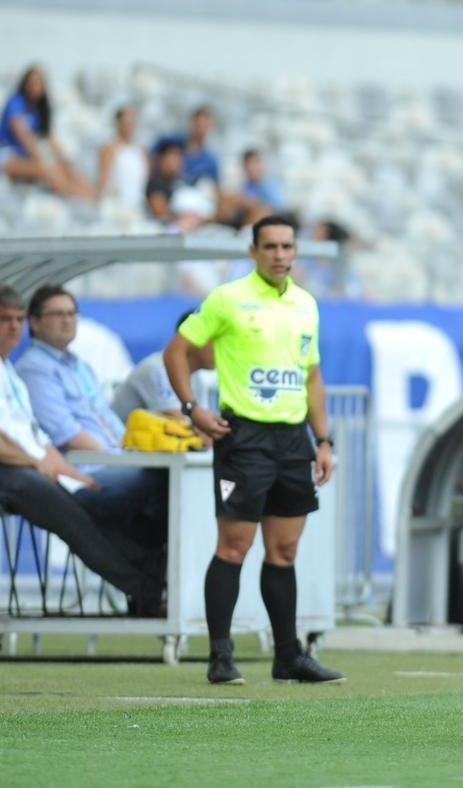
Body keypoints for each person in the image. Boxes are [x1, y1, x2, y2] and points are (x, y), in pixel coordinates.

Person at [164, 214, 344, 685]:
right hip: (244, 439)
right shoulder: (228, 298)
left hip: (293, 441)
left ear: (295, 251)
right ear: (254, 252)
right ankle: (220, 656)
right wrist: (192, 409)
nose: (280, 255)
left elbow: (312, 377)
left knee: (284, 550)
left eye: (288, 246)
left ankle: (288, 657)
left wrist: (323, 441)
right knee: (234, 546)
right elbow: (176, 352)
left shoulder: (306, 304)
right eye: (271, 247)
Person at [0, 284, 163, 616]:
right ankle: (147, 587)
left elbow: (35, 435)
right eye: (5, 319)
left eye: (17, 319)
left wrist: (69, 473)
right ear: (38, 323)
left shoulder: (11, 373)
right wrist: (35, 462)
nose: (13, 327)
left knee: (87, 499)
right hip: (12, 469)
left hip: (30, 464)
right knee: (74, 516)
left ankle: (154, 571)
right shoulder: (31, 369)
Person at [0, 65, 94, 199]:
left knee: (66, 167)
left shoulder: (39, 109)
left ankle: (92, 197)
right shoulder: (16, 102)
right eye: (32, 82)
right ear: (25, 84)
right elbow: (23, 137)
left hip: (26, 155)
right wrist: (45, 160)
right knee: (49, 169)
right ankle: (81, 197)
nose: (35, 86)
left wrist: (64, 159)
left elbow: (49, 138)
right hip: (7, 155)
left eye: (39, 83)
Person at [111, 310, 215, 425]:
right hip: (115, 441)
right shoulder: (156, 370)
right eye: (218, 343)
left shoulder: (197, 378)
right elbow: (182, 425)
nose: (225, 351)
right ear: (192, 341)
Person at [97, 105, 149, 210]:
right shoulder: (109, 148)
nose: (130, 124)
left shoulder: (141, 151)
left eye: (133, 120)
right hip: (116, 205)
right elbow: (104, 180)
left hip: (136, 205)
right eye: (126, 120)